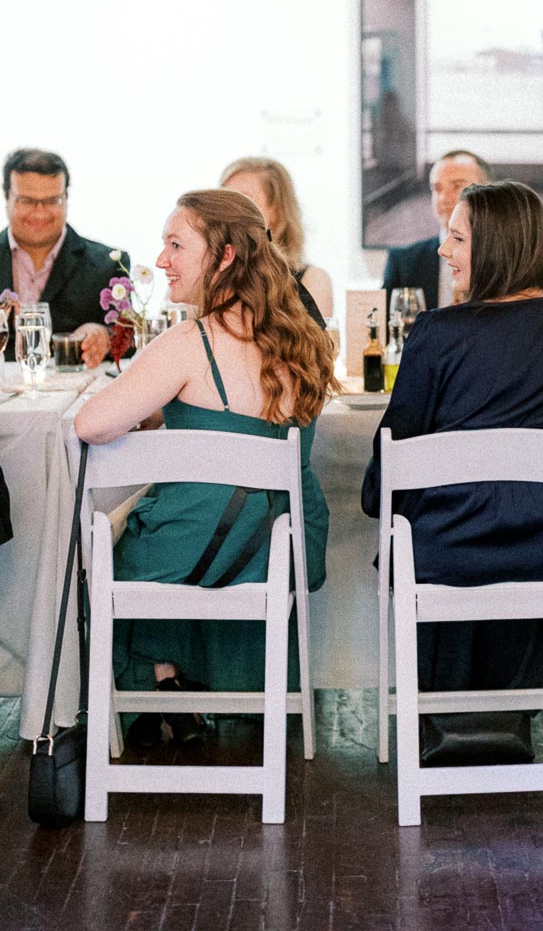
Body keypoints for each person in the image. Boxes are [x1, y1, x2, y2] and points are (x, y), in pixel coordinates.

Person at [363, 180, 543, 758]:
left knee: (410, 533)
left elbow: (391, 464)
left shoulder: (437, 334)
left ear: (498, 246)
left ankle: (449, 718)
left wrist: (385, 508)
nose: (441, 251)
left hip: (444, 558)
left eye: (457, 238)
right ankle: (505, 715)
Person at [75, 189, 336, 744]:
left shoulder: (188, 342)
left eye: (175, 245)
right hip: (280, 545)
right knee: (171, 516)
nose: (162, 260)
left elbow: (90, 426)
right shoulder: (306, 338)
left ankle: (155, 688)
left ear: (224, 258)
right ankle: (179, 686)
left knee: (110, 544)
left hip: (197, 546)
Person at [1, 147, 127, 368]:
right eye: (27, 201)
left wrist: (102, 336)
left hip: (77, 398)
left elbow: (129, 335)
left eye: (52, 201)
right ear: (6, 196)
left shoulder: (108, 264)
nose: (39, 212)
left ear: (66, 198)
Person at [219, 156, 332, 322]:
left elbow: (318, 345)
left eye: (243, 200)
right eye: (223, 199)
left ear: (276, 210)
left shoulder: (312, 280)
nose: (228, 210)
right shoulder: (206, 272)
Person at [382, 150, 491, 311]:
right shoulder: (404, 263)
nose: (444, 198)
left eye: (458, 187)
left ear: (488, 192)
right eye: (437, 189)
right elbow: (384, 330)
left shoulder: (511, 260)